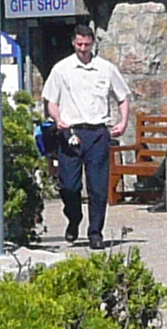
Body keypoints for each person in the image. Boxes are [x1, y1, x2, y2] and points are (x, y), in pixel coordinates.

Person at [39, 22, 131, 246]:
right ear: (73, 43)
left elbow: (123, 97)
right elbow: (50, 101)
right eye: (79, 44)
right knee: (69, 186)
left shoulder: (106, 68)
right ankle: (74, 217)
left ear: (93, 44)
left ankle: (95, 233)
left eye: (87, 45)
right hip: (69, 132)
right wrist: (58, 118)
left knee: (98, 187)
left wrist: (123, 121)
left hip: (97, 132)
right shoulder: (62, 69)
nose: (83, 49)